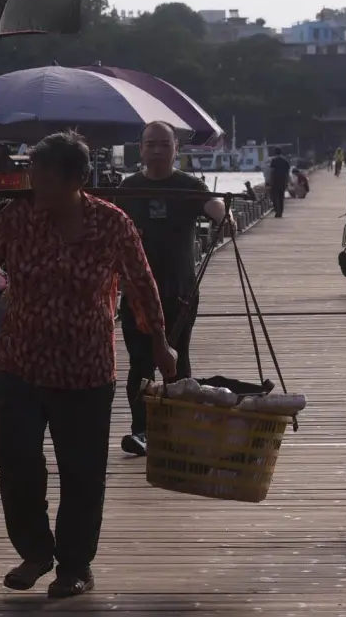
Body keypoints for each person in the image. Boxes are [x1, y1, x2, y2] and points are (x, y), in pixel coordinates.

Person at [0, 131, 176, 599]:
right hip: (19, 363)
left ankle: (74, 565)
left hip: (85, 370)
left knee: (82, 471)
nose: (33, 182)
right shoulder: (18, 218)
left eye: (43, 175)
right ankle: (35, 551)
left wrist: (160, 344)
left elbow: (141, 284)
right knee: (14, 457)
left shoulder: (111, 223)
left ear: (74, 179)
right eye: (33, 172)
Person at [117, 121, 234, 458]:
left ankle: (178, 424)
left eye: (163, 144)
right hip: (138, 292)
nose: (156, 150)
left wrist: (223, 217)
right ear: (140, 149)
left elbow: (214, 206)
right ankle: (142, 429)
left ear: (175, 149)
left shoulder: (188, 185)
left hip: (179, 290)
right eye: (150, 144)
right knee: (140, 363)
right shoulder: (129, 188)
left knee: (177, 361)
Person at [266, 147, 292, 217]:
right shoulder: (285, 161)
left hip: (275, 181)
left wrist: (269, 181)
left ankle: (277, 210)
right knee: (281, 196)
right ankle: (280, 210)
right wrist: (287, 182)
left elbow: (272, 172)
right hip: (283, 181)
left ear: (275, 153)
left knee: (274, 196)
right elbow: (288, 173)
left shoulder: (274, 161)